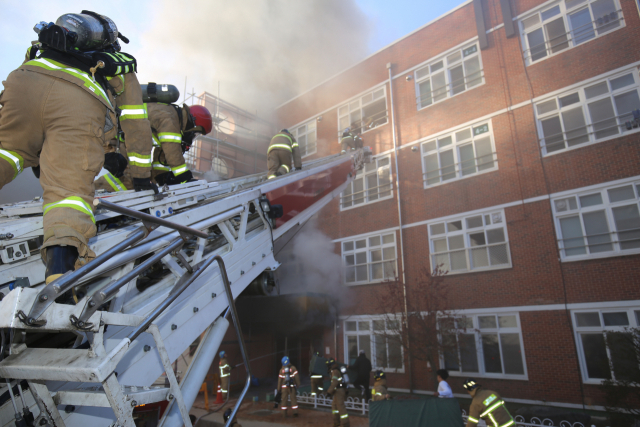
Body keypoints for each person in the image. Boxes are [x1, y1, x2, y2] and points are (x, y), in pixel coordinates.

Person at [0, 11, 154, 284]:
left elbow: (31, 104)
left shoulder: (42, 47)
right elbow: (135, 122)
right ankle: (60, 277)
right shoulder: (119, 64)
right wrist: (141, 176)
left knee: (8, 154)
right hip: (76, 101)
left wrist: (38, 156)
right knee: (67, 194)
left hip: (23, 81)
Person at [94, 102, 212, 191]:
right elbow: (172, 151)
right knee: (129, 178)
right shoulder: (170, 118)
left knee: (141, 180)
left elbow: (161, 156)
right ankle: (94, 193)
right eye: (195, 133)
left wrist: (161, 176)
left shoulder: (174, 120)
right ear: (192, 123)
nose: (192, 137)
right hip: (114, 137)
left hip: (127, 141)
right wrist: (184, 177)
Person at [326, 358, 350, 427]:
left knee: (341, 407)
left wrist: (329, 392)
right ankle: (336, 422)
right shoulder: (336, 370)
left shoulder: (335, 371)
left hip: (339, 391)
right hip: (338, 391)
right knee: (334, 406)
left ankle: (346, 424)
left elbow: (335, 382)